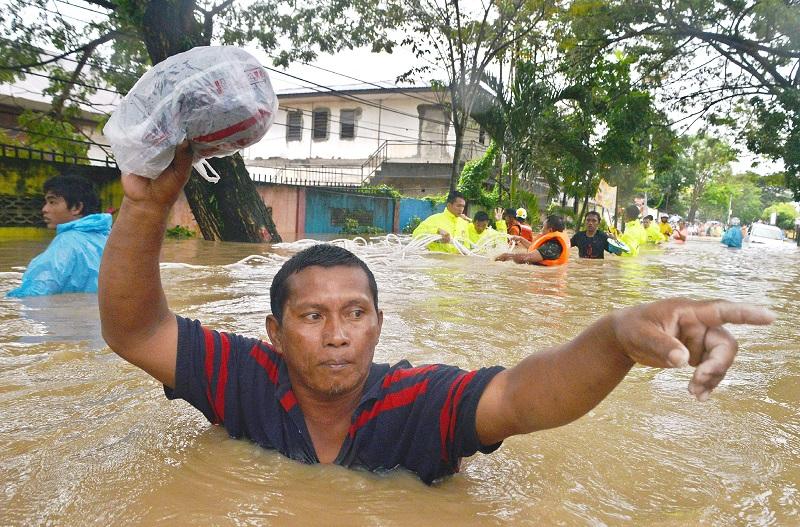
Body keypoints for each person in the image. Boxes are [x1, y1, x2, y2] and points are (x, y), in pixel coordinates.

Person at [98, 144, 774, 485]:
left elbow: (521, 394)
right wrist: (148, 206)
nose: (337, 334)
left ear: (379, 325)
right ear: (274, 333)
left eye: (355, 312)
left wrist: (616, 336)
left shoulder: (417, 400)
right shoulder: (242, 375)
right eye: (312, 316)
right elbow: (136, 329)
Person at [7, 174, 112, 298]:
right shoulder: (109, 237)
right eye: (46, 202)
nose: (44, 209)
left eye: (52, 202)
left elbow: (37, 294)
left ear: (76, 207)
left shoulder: (66, 242)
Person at [495, 214, 570, 266]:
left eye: (543, 227)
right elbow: (534, 248)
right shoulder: (553, 243)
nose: (541, 229)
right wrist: (521, 239)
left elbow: (526, 258)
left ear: (550, 230)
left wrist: (506, 256)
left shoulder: (552, 247)